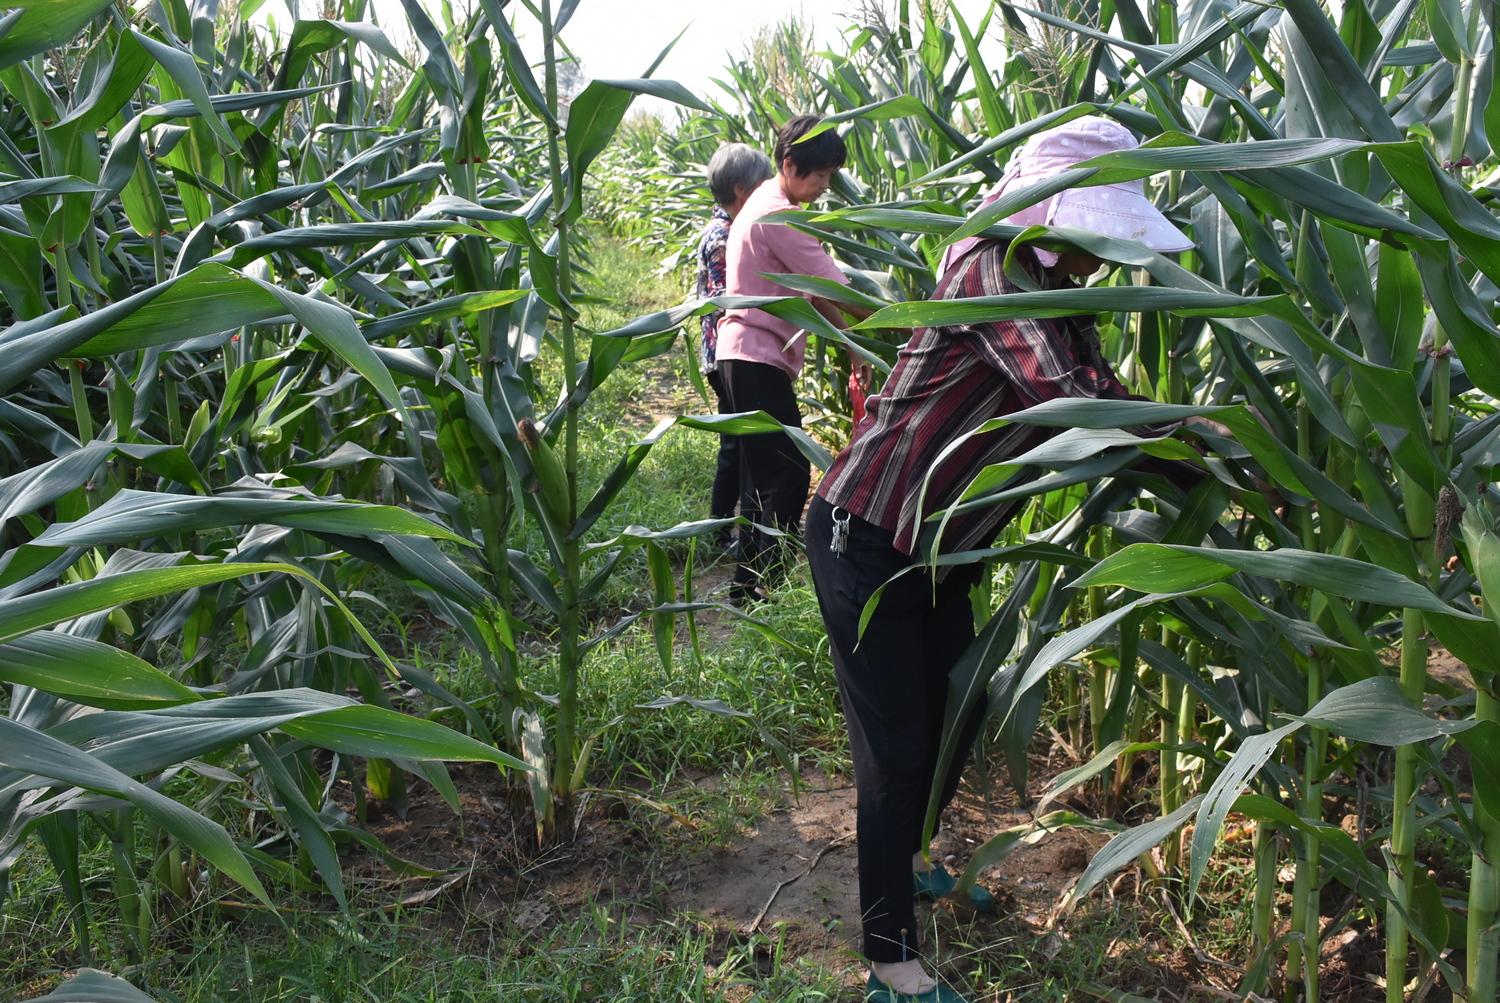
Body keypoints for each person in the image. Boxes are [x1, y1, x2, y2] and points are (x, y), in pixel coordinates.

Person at [804, 116, 1199, 1003]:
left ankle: (912, 861)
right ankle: (890, 961)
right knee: (898, 747)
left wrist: (1198, 444)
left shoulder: (1054, 287)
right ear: (1055, 216)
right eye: (1096, 236)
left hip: (940, 552)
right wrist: (1198, 437)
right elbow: (1073, 401)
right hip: (866, 534)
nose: (1103, 260)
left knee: (959, 705)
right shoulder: (992, 267)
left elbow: (1104, 392)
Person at [715, 115, 873, 604]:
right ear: (789, 164)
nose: (824, 187)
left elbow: (814, 291)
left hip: (741, 357)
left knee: (760, 476)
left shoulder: (768, 202)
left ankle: (747, 585)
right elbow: (837, 288)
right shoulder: (779, 216)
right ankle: (771, 584)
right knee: (787, 473)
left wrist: (853, 342)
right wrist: (903, 324)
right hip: (755, 358)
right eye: (820, 176)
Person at [695, 142, 774, 551]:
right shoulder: (726, 236)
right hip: (730, 354)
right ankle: (728, 531)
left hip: (721, 354)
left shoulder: (722, 228)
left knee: (737, 444)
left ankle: (723, 529)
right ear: (743, 191)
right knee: (739, 447)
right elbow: (735, 297)